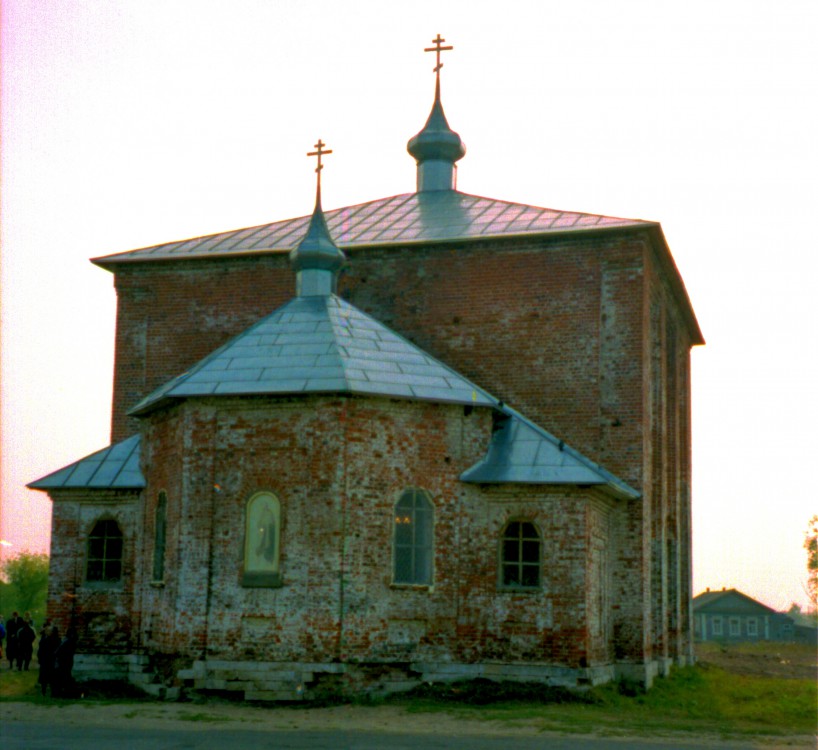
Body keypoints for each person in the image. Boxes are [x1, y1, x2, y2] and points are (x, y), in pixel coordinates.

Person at [53, 627, 77, 698]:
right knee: (66, 676)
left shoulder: (67, 641)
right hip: (67, 661)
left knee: (63, 676)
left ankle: (62, 692)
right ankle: (66, 692)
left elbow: (58, 651)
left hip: (63, 661)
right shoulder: (71, 641)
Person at [37, 626, 60, 696]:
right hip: (44, 661)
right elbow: (40, 650)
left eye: (49, 631)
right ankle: (43, 691)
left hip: (50, 661)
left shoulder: (55, 640)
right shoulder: (44, 639)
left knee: (51, 677)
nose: (47, 632)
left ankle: (53, 692)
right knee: (44, 678)